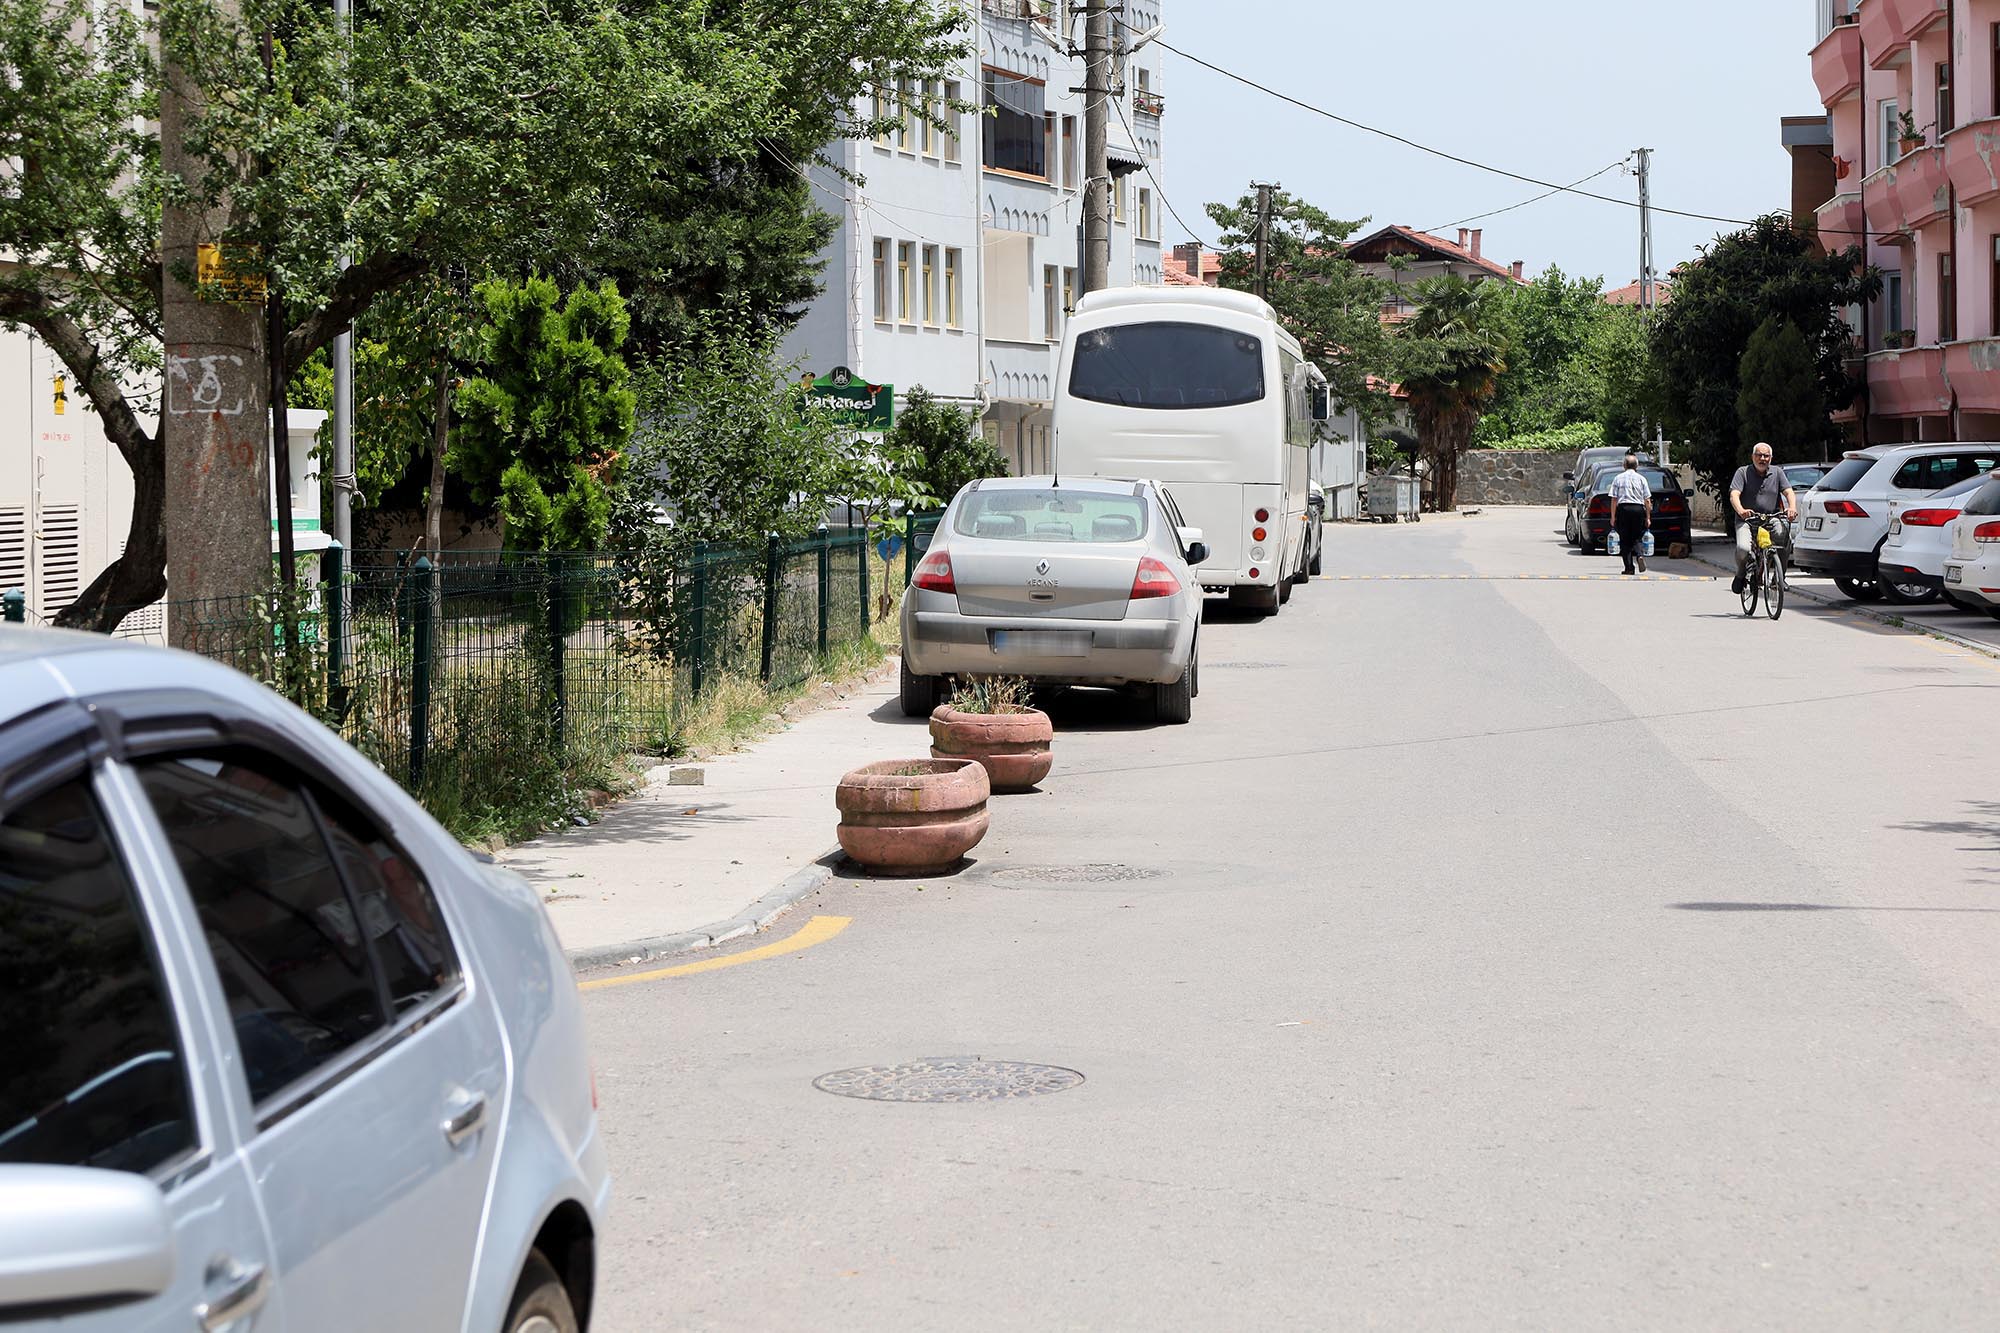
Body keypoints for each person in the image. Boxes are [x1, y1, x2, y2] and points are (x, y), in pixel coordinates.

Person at [1730, 442, 1797, 594]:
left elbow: (1788, 492)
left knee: (1785, 539)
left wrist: (1792, 507)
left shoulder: (1777, 472)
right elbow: (1734, 495)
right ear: (1752, 457)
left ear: (1771, 458)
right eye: (1759, 455)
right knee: (1743, 549)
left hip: (1770, 517)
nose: (1762, 458)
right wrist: (1741, 511)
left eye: (1766, 456)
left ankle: (1779, 579)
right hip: (1747, 520)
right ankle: (1741, 574)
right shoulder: (1742, 472)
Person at [1607, 453, 1652, 575]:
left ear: (1624, 465)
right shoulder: (1642, 479)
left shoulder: (1618, 478)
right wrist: (1648, 517)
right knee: (1637, 537)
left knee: (1625, 540)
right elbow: (1647, 500)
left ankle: (1629, 568)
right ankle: (1639, 555)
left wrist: (1613, 516)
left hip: (1624, 509)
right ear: (1636, 466)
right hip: (1638, 509)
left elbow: (1614, 499)